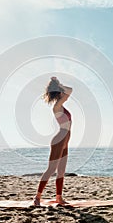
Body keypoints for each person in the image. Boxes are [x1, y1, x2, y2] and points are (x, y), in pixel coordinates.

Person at [33, 77, 73, 206]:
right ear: (59, 92)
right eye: (61, 91)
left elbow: (69, 91)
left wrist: (58, 85)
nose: (64, 93)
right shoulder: (57, 106)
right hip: (59, 139)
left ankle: (59, 198)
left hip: (65, 140)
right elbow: (70, 90)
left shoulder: (61, 105)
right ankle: (37, 198)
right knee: (51, 169)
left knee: (61, 171)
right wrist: (60, 85)